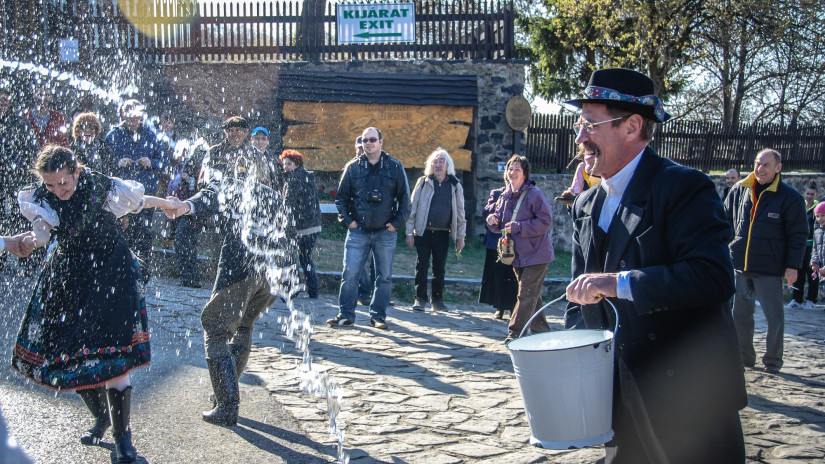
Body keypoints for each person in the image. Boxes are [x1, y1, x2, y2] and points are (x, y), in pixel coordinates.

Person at [564, 68, 747, 463]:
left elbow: (713, 277)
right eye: (580, 126)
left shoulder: (684, 187)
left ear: (632, 126)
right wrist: (568, 363)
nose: (580, 138)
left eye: (590, 125)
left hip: (688, 399)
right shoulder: (584, 204)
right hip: (617, 402)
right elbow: (579, 299)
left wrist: (619, 282)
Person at [13, 145, 174, 463]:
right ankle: (101, 418)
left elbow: (139, 202)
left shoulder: (107, 188)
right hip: (68, 278)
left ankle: (122, 437)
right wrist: (29, 239)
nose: (58, 190)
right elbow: (42, 232)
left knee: (113, 352)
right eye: (51, 185)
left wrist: (171, 204)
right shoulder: (42, 199)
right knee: (69, 353)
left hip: (110, 276)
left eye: (64, 183)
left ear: (76, 171)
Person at [162, 116, 290, 427]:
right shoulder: (273, 195)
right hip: (273, 271)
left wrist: (184, 206)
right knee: (244, 325)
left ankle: (227, 405)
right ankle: (224, 394)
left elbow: (208, 196)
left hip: (241, 266)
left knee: (215, 325)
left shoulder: (233, 182)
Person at [726, 148, 807, 373]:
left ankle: (772, 361)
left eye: (765, 165)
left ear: (778, 168)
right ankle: (744, 357)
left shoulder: (790, 197)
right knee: (740, 315)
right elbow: (724, 222)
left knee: (774, 318)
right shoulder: (739, 189)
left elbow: (798, 234)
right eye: (757, 163)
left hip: (770, 269)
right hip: (739, 265)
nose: (759, 169)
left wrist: (793, 266)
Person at [328, 127, 410, 330]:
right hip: (358, 230)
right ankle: (346, 314)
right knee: (350, 273)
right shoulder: (353, 167)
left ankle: (378, 317)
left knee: (384, 276)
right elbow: (341, 198)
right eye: (365, 140)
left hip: (385, 232)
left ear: (381, 142)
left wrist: (396, 224)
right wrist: (349, 221)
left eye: (373, 139)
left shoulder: (395, 167)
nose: (369, 143)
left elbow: (406, 200)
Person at [486, 154, 554, 342]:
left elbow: (545, 221)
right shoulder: (505, 195)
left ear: (525, 173)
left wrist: (519, 227)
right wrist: (492, 220)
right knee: (532, 296)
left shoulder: (534, 194)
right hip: (518, 254)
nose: (513, 172)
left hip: (537, 254)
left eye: (517, 169)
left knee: (525, 295)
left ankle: (515, 334)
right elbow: (499, 222)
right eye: (510, 169)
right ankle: (542, 334)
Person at [104, 99, 165, 280]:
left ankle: (143, 273)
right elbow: (103, 165)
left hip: (144, 192)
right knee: (121, 232)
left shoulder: (152, 135)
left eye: (136, 113)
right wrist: (117, 163)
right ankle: (120, 272)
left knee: (144, 235)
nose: (133, 117)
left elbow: (164, 163)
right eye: (128, 113)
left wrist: (151, 162)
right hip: (120, 196)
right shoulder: (113, 135)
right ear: (123, 114)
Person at [405, 148, 466, 312]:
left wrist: (461, 237)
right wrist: (409, 232)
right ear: (431, 165)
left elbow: (460, 213)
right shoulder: (423, 182)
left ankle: (437, 300)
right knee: (422, 265)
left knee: (439, 268)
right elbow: (413, 209)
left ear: (448, 165)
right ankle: (420, 298)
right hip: (424, 232)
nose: (438, 165)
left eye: (441, 161)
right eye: (435, 161)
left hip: (442, 233)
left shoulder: (455, 185)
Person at [0, 82, 38, 272]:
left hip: (16, 177)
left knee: (21, 215)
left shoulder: (19, 123)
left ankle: (26, 260)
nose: (3, 101)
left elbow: (30, 151)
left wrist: (23, 171)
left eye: (6, 97)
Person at [281, 149, 322, 298]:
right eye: (284, 164)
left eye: (289, 164)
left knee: (291, 257)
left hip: (300, 226)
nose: (286, 167)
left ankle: (294, 287)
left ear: (297, 164)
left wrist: (285, 223)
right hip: (314, 224)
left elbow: (288, 204)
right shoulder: (307, 177)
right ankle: (313, 290)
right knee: (306, 258)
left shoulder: (293, 179)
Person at [168, 141, 207, 288]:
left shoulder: (200, 164)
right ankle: (190, 277)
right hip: (186, 207)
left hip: (194, 210)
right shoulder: (189, 164)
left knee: (183, 240)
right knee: (186, 241)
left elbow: (199, 188)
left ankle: (190, 277)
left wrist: (189, 178)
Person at [479, 185, 518, 320]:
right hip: (497, 241)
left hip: (515, 241)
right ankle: (499, 307)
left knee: (513, 276)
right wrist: (498, 204)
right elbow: (486, 212)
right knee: (498, 276)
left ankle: (514, 308)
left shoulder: (524, 194)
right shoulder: (496, 193)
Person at [787, 181, 819, 309]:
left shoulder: (819, 208)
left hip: (813, 246)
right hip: (800, 246)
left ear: (816, 195)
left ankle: (811, 300)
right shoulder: (800, 207)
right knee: (798, 273)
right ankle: (796, 299)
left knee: (812, 274)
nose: (809, 196)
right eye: (807, 193)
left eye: (812, 194)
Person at [23, 84, 70, 149]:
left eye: (47, 95)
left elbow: (65, 143)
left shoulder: (58, 117)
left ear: (51, 97)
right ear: (34, 95)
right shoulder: (25, 116)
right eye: (40, 95)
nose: (43, 98)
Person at [810, 202, 825, 298]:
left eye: (823, 215)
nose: (820, 219)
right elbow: (815, 248)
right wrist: (814, 262)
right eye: (817, 216)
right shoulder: (817, 232)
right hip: (822, 268)